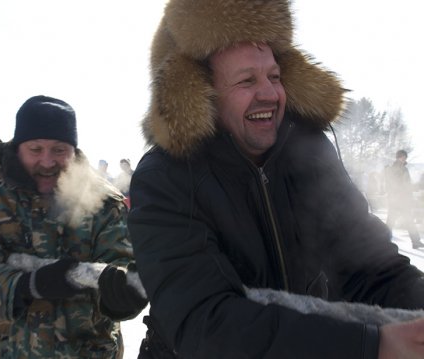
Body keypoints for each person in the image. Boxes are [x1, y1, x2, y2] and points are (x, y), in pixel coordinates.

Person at [127, 1, 424, 358]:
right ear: (202, 94)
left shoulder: (309, 153)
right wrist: (367, 346)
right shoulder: (164, 179)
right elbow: (206, 323)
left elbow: (370, 266)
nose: (269, 93)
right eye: (247, 80)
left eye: (274, 76)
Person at [0, 95, 147, 358]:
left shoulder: (104, 202)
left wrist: (122, 297)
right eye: (36, 150)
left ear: (73, 151)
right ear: (18, 148)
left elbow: (121, 264)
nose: (48, 162)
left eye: (59, 150)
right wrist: (30, 285)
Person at [385, 150, 423, 248]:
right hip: (397, 199)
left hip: (400, 199)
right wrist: (414, 187)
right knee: (392, 221)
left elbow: (405, 185)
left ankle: (415, 241)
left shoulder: (402, 168)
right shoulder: (395, 169)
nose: (404, 159)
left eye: (405, 157)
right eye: (403, 157)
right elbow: (397, 185)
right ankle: (384, 241)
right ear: (398, 157)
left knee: (406, 220)